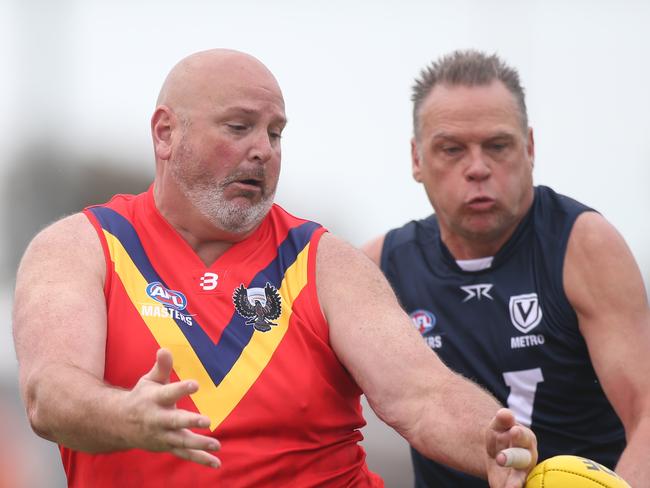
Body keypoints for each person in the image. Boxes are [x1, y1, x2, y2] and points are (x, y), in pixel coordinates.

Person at [11, 49, 537, 488]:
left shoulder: (324, 260)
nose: (262, 151)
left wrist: (489, 439)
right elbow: (49, 394)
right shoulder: (82, 246)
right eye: (239, 127)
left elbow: (422, 394)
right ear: (166, 133)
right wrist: (125, 416)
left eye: (276, 133)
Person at [362, 49, 650, 488]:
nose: (477, 168)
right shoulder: (381, 266)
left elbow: (647, 413)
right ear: (417, 159)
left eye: (497, 146)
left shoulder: (582, 244)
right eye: (452, 149)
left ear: (530, 147)